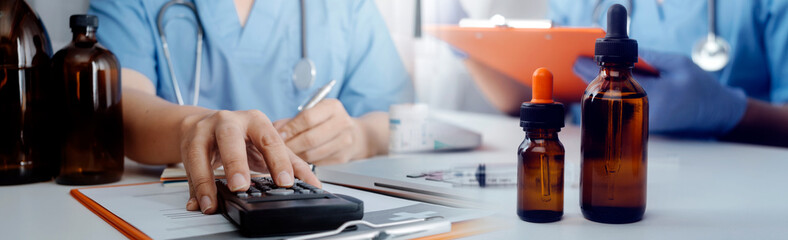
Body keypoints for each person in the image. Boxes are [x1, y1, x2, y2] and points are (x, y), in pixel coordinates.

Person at [88, 0, 412, 214]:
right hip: (172, 205)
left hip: (313, 208)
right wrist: (197, 127)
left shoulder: (349, 7)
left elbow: (398, 118)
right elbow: (116, 102)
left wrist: (360, 136)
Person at [469, 0, 788, 147]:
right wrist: (465, 46)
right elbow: (524, 97)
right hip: (595, 161)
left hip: (739, 179)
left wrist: (728, 111)